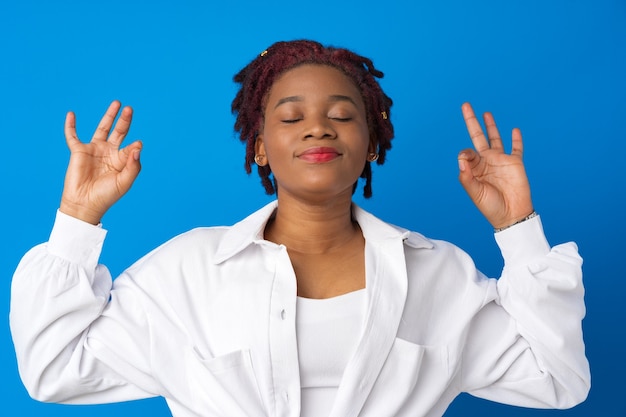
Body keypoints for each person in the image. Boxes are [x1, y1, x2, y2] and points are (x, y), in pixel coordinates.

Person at [10, 40, 590, 417]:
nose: (318, 129)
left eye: (342, 116)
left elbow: (557, 378)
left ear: (370, 145)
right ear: (260, 147)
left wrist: (519, 228)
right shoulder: (187, 271)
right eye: (291, 117)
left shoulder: (437, 272)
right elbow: (53, 368)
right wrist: (77, 220)